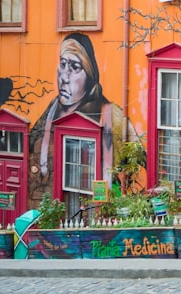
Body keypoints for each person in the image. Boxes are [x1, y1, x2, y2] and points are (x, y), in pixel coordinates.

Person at [28, 33, 133, 207]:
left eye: (75, 67)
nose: (64, 77)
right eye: (62, 64)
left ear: (90, 75)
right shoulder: (50, 112)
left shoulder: (112, 117)